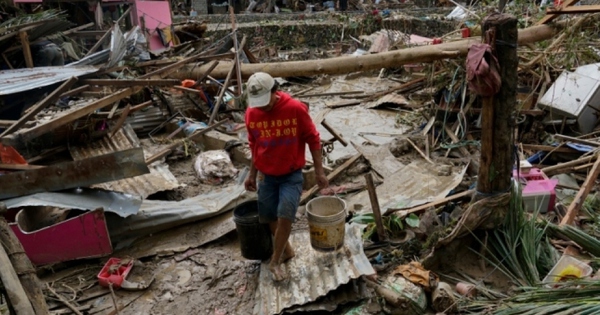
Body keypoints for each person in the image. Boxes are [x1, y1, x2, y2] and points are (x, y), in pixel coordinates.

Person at [244, 72, 328, 281]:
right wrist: (252, 175)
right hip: (266, 175)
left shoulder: (295, 109)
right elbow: (254, 145)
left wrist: (319, 171)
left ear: (275, 91)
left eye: (265, 101)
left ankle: (275, 260)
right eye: (258, 103)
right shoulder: (251, 113)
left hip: (291, 174)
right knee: (269, 216)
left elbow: (313, 139)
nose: (262, 107)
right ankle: (287, 250)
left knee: (285, 214)